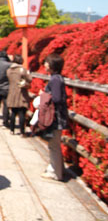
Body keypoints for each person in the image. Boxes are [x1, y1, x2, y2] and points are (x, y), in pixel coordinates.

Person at [41, 53, 68, 181]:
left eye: (47, 62)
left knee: (54, 145)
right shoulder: (56, 78)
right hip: (57, 116)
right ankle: (57, 168)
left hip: (56, 117)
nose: (45, 65)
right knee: (54, 144)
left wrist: (45, 95)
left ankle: (56, 172)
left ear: (52, 65)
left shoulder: (55, 80)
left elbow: (56, 98)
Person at [6, 54, 32, 136]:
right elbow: (29, 79)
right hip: (21, 92)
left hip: (12, 91)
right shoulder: (22, 70)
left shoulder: (9, 70)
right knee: (21, 112)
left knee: (13, 112)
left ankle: (12, 129)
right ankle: (21, 130)